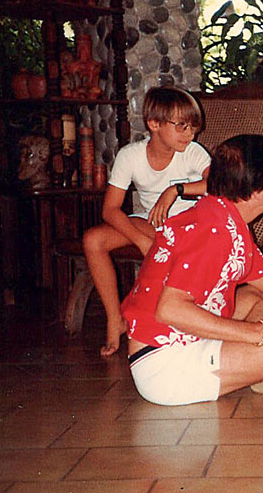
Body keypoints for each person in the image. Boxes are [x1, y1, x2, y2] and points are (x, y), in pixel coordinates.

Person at [122, 134, 263, 405]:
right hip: (163, 365)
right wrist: (259, 334)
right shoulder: (215, 232)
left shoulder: (221, 214)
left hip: (175, 339)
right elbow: (170, 309)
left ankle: (262, 370)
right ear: (254, 190)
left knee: (255, 300)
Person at [83, 86, 211, 357]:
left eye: (193, 128)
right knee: (93, 239)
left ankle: (174, 320)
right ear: (154, 124)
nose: (190, 134)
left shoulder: (192, 152)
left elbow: (217, 184)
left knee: (165, 240)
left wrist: (174, 190)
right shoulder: (130, 155)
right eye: (182, 126)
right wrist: (140, 239)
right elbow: (110, 209)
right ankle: (114, 318)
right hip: (152, 223)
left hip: (190, 224)